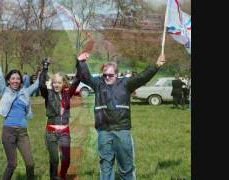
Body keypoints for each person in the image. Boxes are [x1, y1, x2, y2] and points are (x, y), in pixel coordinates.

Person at [76, 52, 165, 180]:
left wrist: (156, 66)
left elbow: (142, 77)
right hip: (104, 132)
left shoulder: (126, 83)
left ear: (116, 74)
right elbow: (84, 77)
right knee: (105, 167)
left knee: (126, 167)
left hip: (122, 130)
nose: (107, 77)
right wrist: (81, 62)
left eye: (110, 75)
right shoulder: (98, 83)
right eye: (105, 75)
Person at [0, 47, 39, 180]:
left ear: (21, 81)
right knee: (12, 164)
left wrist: (44, 69)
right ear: (8, 81)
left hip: (23, 133)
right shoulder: (4, 90)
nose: (15, 81)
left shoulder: (25, 92)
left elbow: (36, 85)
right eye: (12, 78)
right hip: (8, 132)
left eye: (18, 79)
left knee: (30, 164)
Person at [39, 58, 80, 180]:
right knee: (54, 160)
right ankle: (54, 177)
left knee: (66, 159)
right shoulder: (48, 94)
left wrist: (80, 63)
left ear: (64, 84)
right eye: (54, 82)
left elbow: (77, 80)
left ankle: (62, 176)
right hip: (51, 132)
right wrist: (45, 66)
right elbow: (41, 84)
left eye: (59, 82)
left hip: (65, 132)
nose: (56, 85)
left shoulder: (68, 94)